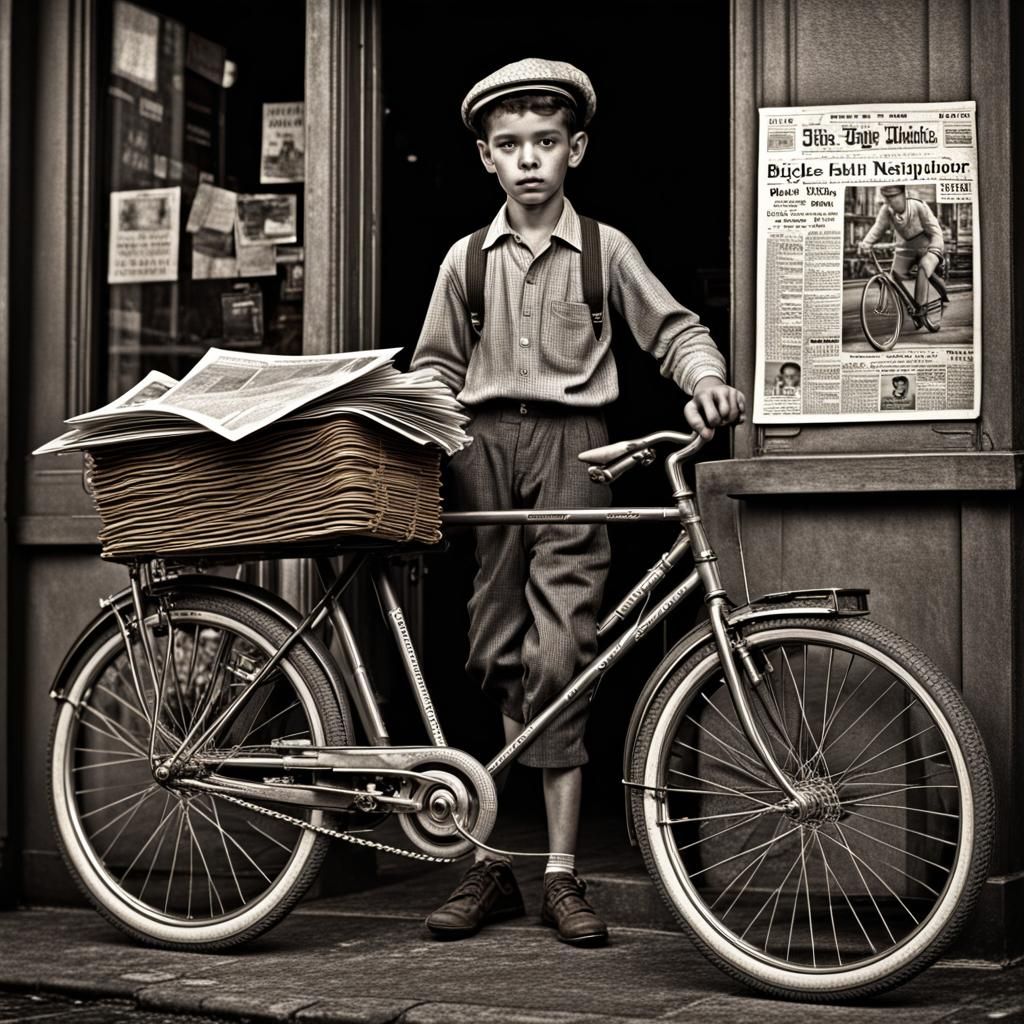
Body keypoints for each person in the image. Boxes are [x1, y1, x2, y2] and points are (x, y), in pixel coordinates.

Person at [410, 58, 746, 948]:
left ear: (576, 149)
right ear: (486, 157)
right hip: (483, 451)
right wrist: (419, 421)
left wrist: (706, 382)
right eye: (509, 145)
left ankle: (557, 872)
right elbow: (437, 367)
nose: (529, 160)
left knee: (564, 648)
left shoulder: (606, 250)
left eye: (546, 143)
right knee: (491, 650)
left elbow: (674, 330)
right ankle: (487, 859)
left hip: (575, 449)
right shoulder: (462, 263)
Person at [858, 184, 948, 317]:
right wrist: (865, 244)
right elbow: (878, 228)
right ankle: (910, 305)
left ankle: (924, 305)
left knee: (925, 268)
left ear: (903, 194)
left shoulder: (919, 206)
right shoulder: (886, 210)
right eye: (886, 197)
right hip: (906, 249)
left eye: (893, 197)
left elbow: (936, 231)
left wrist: (934, 249)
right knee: (895, 275)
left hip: (928, 246)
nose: (889, 201)